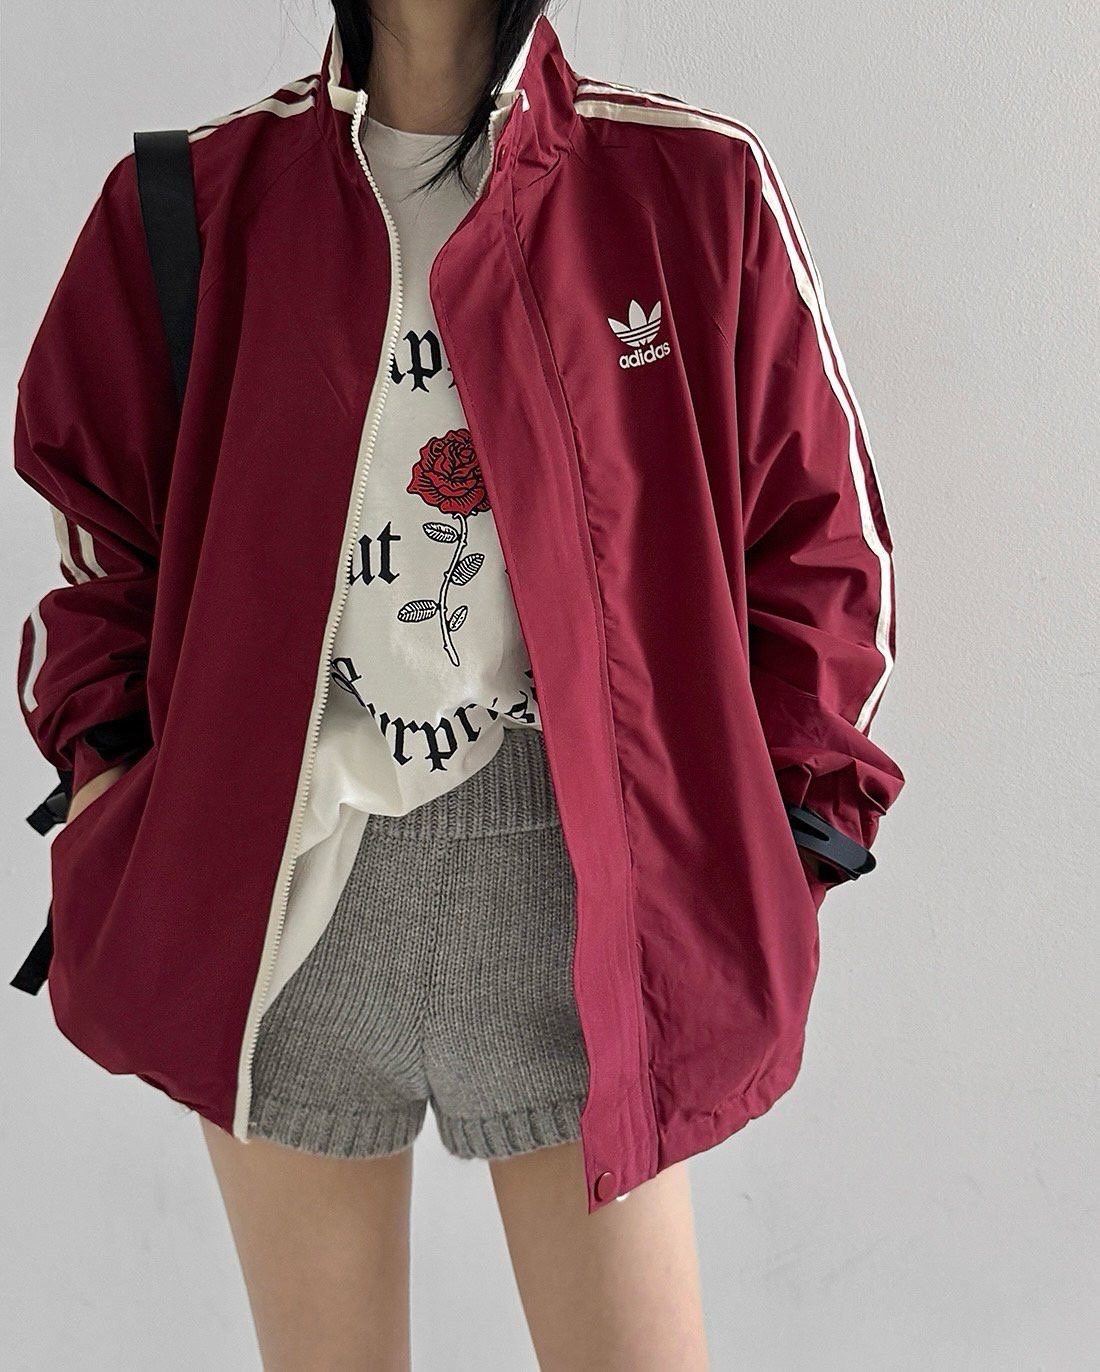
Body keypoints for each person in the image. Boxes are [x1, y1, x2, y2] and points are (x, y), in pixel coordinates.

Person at [13, 1, 904, 1366]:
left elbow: (823, 545)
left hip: (581, 911)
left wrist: (793, 833)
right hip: (285, 913)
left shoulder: (689, 185)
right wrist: (109, 773)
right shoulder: (187, 202)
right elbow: (98, 531)